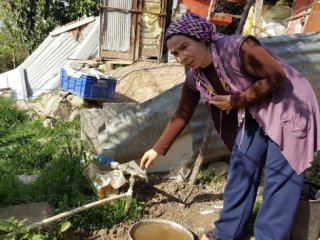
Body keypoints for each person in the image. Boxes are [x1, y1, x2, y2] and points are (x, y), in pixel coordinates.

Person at [140, 12, 320, 240]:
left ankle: (269, 236)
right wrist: (157, 149)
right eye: (175, 53)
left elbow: (276, 75)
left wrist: (237, 101)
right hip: (255, 111)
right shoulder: (196, 77)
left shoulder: (236, 48)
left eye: (185, 47)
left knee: (279, 176)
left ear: (201, 38)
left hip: (289, 106)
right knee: (241, 167)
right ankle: (225, 233)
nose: (181, 57)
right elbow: (181, 114)